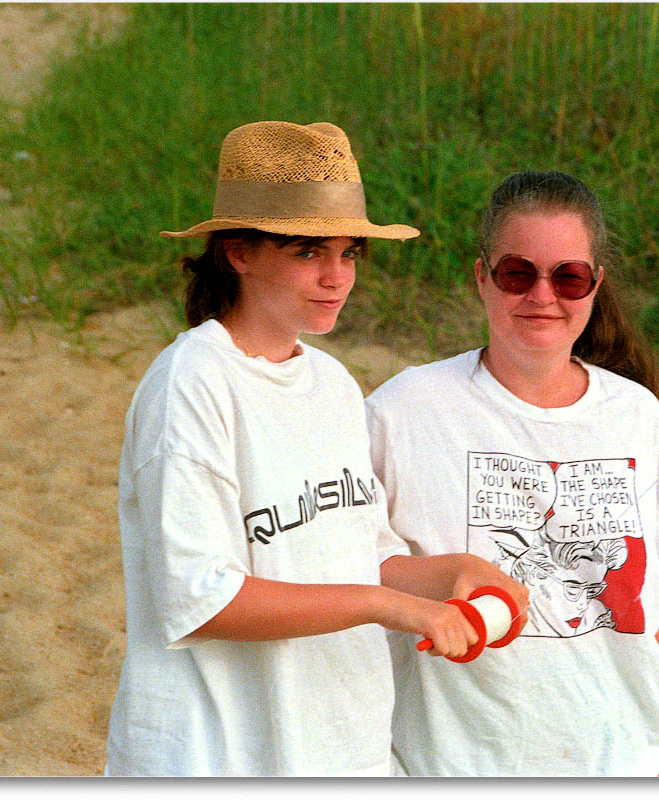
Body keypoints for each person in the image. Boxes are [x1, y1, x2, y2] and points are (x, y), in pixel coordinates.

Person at [105, 121, 527, 777]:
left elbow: (364, 555)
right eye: (307, 252)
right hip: (219, 757)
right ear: (239, 253)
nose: (336, 276)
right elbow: (203, 600)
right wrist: (389, 607)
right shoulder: (191, 384)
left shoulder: (331, 382)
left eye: (350, 252)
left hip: (341, 748)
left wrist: (448, 573)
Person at [365, 170, 659, 776]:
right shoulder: (403, 409)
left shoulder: (636, 414)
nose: (543, 296)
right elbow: (352, 570)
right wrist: (450, 577)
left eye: (568, 276)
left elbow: (653, 601)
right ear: (482, 279)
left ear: (595, 284)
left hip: (620, 761)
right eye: (517, 274)